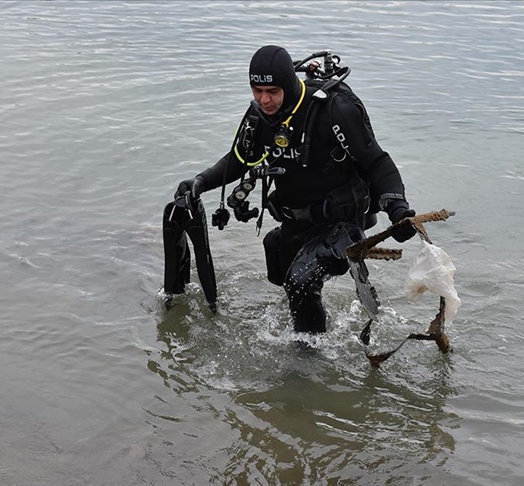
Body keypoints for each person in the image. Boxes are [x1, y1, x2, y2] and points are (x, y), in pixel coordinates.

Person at [174, 45, 417, 333]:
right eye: (257, 91)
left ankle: (307, 361)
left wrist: (397, 208)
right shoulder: (258, 117)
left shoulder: (332, 111)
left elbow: (376, 162)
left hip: (340, 225)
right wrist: (200, 182)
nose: (264, 99)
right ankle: (312, 338)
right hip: (296, 221)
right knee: (282, 273)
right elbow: (239, 159)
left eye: (273, 91)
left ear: (289, 84)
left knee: (300, 281)